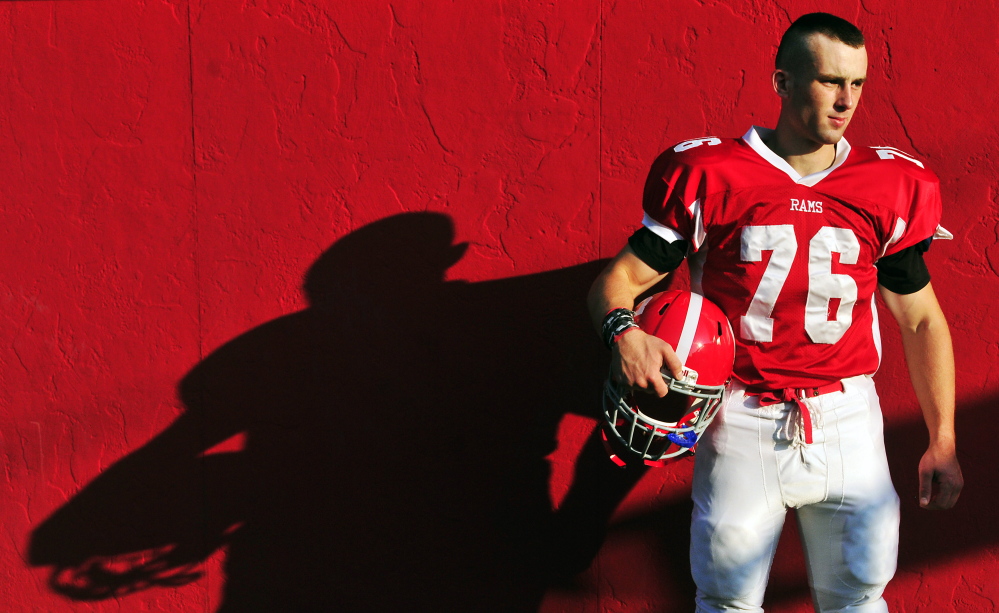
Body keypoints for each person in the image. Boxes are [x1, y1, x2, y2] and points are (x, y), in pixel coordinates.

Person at [587, 12, 963, 613]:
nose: (846, 101)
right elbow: (619, 282)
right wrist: (623, 333)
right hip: (742, 416)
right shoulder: (711, 172)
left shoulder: (890, 183)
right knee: (725, 602)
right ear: (783, 82)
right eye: (829, 81)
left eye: (858, 84)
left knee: (861, 599)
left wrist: (941, 437)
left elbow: (920, 319)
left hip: (847, 419)